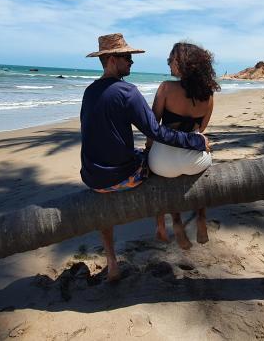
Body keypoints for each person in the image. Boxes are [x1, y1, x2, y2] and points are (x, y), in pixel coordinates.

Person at [80, 33, 209, 281]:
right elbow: (156, 131)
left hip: (93, 178)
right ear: (111, 60)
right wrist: (196, 141)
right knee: (155, 163)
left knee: (102, 206)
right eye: (127, 57)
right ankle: (164, 225)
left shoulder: (89, 92)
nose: (132, 62)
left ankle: (111, 261)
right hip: (124, 177)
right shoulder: (128, 92)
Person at [146, 42, 220, 249]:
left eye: (171, 60)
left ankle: (176, 224)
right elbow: (202, 129)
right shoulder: (209, 94)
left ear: (183, 63)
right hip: (195, 159)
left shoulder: (166, 88)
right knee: (199, 175)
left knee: (164, 179)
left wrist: (147, 150)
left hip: (163, 161)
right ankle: (201, 219)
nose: (169, 63)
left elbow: (154, 126)